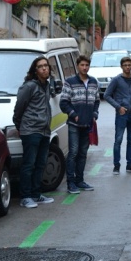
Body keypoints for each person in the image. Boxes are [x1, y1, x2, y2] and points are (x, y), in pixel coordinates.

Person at [13, 56, 55, 208]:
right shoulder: (29, 86)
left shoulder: (47, 85)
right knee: (29, 164)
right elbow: (19, 108)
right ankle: (25, 197)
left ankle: (36, 194)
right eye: (40, 66)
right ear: (35, 70)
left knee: (40, 164)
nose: (44, 68)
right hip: (31, 130)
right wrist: (20, 125)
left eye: (46, 66)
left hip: (44, 131)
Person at [59, 55, 100, 194]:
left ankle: (80, 180)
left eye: (87, 65)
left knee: (83, 153)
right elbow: (63, 102)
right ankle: (70, 183)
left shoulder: (93, 82)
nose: (84, 67)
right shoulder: (70, 82)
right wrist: (73, 114)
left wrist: (95, 114)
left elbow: (97, 101)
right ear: (77, 66)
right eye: (82, 65)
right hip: (74, 124)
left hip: (88, 124)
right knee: (73, 153)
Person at [104, 56, 131, 175]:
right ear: (121, 66)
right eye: (125, 65)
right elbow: (107, 95)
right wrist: (118, 107)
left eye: (129, 65)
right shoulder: (116, 80)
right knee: (118, 140)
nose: (127, 67)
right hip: (122, 114)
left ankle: (130, 165)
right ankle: (116, 166)